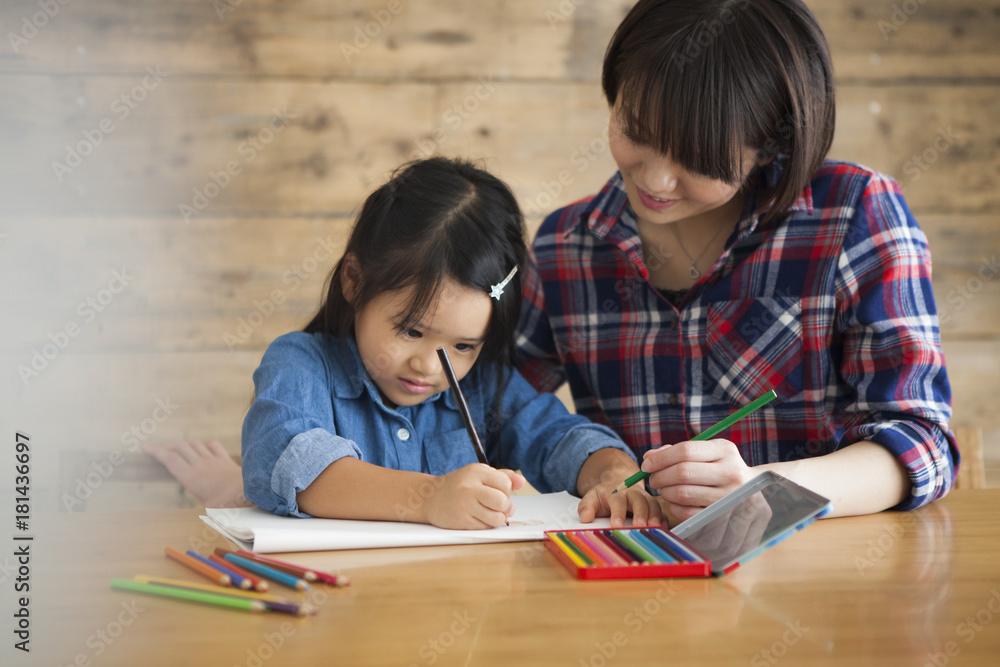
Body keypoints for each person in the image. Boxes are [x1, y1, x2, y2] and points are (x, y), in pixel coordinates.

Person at [514, 0, 958, 521]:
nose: (655, 180)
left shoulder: (852, 214)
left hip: (821, 576)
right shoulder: (566, 245)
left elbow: (921, 443)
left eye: (699, 159)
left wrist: (762, 488)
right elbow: (490, 407)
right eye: (634, 131)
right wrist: (602, 466)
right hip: (626, 569)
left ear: (771, 145)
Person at [237, 157, 660, 529]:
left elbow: (562, 438)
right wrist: (430, 497)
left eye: (463, 346)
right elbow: (289, 463)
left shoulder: (483, 386)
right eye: (411, 331)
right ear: (354, 281)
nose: (430, 366)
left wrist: (612, 475)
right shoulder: (301, 364)